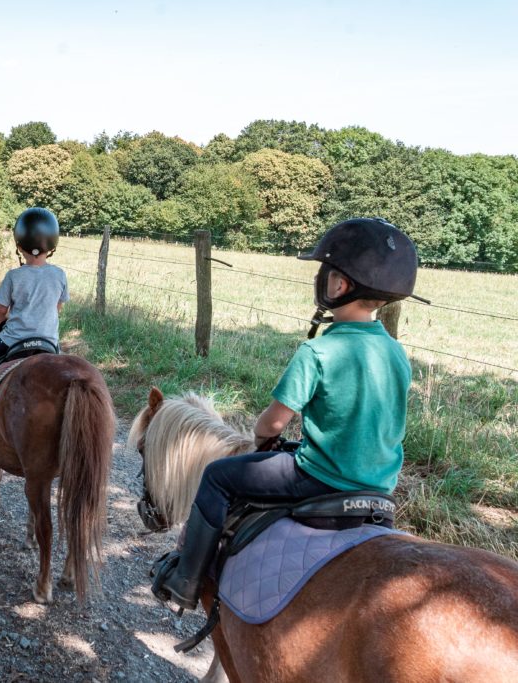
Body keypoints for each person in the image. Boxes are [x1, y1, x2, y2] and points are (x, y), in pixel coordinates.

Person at [153, 217, 420, 611]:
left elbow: (273, 423)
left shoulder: (318, 351)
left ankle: (185, 579)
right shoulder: (397, 354)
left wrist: (262, 441)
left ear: (340, 285)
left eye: (326, 272)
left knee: (217, 477)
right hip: (378, 488)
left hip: (319, 480)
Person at [0, 207, 69, 433]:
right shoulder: (59, 275)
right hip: (48, 342)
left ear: (19, 246)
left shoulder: (14, 276)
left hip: (14, 340)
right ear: (53, 246)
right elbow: (58, 307)